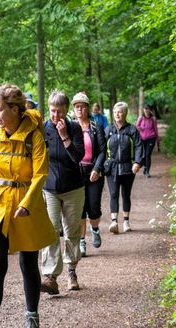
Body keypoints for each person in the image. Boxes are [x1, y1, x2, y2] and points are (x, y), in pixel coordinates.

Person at [0, 84, 56, 328]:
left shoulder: (34, 137)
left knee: (28, 264)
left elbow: (40, 173)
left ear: (16, 109)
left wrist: (28, 202)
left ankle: (32, 318)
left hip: (25, 206)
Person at [40, 90, 86, 294]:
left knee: (71, 231)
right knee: (50, 231)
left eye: (59, 111)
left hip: (73, 187)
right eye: (52, 111)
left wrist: (64, 136)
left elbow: (78, 156)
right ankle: (50, 277)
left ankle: (71, 271)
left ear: (66, 110)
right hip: (50, 188)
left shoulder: (74, 128)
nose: (55, 115)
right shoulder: (43, 128)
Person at [71, 92, 107, 257]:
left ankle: (95, 228)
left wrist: (97, 169)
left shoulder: (96, 126)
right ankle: (82, 242)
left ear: (87, 108)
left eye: (82, 106)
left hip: (93, 172)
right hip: (76, 172)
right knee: (80, 209)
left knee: (93, 207)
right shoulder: (70, 126)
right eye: (76, 106)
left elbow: (102, 151)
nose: (79, 109)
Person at [105, 101, 143, 234]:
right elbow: (102, 148)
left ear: (125, 113)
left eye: (120, 112)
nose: (117, 114)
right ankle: (114, 221)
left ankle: (126, 221)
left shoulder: (132, 130)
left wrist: (137, 162)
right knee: (113, 194)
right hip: (112, 168)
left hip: (128, 167)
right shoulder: (108, 130)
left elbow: (139, 146)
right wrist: (103, 164)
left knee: (126, 194)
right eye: (115, 112)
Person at [136, 104, 159, 177]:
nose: (146, 110)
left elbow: (155, 128)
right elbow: (136, 126)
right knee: (143, 155)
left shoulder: (153, 118)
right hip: (142, 138)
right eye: (145, 109)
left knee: (148, 154)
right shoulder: (141, 118)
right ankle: (145, 167)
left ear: (150, 110)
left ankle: (147, 172)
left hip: (151, 138)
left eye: (147, 109)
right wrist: (140, 128)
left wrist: (157, 138)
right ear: (143, 110)